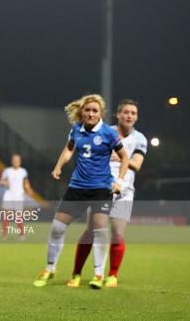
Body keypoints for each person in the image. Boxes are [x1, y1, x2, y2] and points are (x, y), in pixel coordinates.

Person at [32, 94, 129, 289]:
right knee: (57, 228)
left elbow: (124, 157)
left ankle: (98, 274)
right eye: (87, 110)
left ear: (100, 113)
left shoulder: (109, 133)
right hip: (77, 187)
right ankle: (50, 269)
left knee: (100, 231)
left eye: (95, 110)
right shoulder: (76, 129)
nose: (91, 113)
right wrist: (59, 166)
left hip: (101, 188)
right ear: (81, 112)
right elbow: (69, 149)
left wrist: (119, 181)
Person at [69, 99, 147, 287]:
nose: (129, 116)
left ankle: (112, 275)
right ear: (118, 115)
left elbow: (137, 164)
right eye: (125, 112)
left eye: (133, 113)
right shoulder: (105, 132)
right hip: (100, 189)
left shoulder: (139, 139)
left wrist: (121, 157)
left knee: (118, 234)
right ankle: (76, 273)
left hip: (124, 192)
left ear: (136, 117)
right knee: (90, 232)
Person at [0, 153, 34, 240]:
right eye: (14, 161)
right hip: (9, 194)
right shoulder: (7, 171)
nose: (16, 162)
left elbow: (26, 183)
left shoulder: (23, 171)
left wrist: (29, 189)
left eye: (18, 161)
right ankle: (4, 234)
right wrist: (4, 183)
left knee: (18, 216)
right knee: (5, 214)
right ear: (12, 161)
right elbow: (1, 181)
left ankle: (22, 234)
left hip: (19, 195)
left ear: (20, 162)